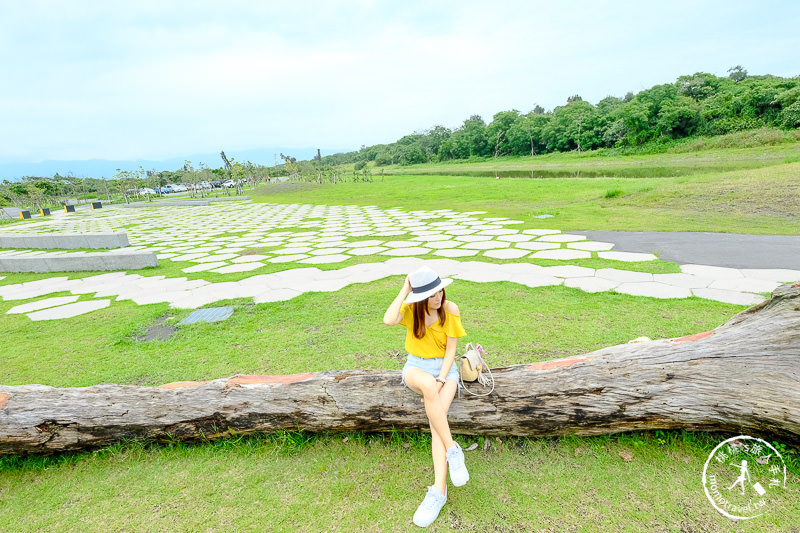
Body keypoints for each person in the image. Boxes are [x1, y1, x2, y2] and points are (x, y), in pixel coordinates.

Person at [383, 265, 469, 528]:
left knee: (436, 424)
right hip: (416, 368)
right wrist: (404, 289)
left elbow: (451, 350)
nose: (438, 297)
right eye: (432, 295)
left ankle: (438, 491)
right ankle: (453, 449)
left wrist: (443, 378)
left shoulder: (450, 309)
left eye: (440, 291)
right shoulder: (411, 311)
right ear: (420, 298)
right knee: (430, 389)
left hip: (446, 371)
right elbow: (388, 319)